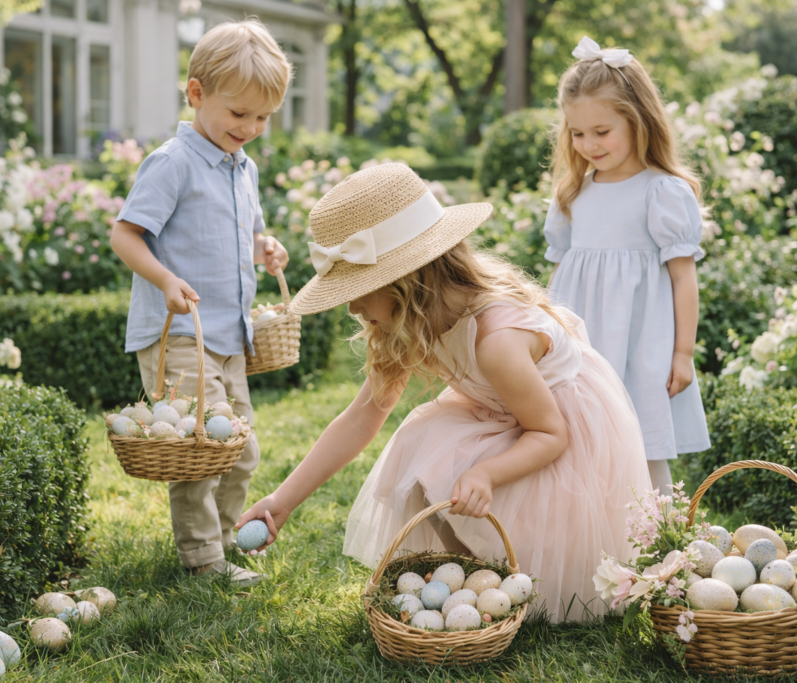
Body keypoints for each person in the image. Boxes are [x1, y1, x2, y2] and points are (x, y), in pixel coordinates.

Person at [236, 163, 651, 622]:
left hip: (557, 427)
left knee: (500, 493)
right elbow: (361, 418)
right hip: (501, 410)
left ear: (407, 283)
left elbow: (551, 434)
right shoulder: (411, 322)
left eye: (359, 290)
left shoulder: (497, 341)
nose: (352, 306)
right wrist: (283, 500)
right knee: (422, 445)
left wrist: (488, 474)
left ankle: (500, 576)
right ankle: (472, 581)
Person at [110, 19, 291, 584]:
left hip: (228, 337)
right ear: (197, 94)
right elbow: (125, 234)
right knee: (199, 452)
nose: (251, 127)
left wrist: (266, 248)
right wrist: (165, 279)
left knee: (241, 450)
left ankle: (226, 536)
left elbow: (248, 230)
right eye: (239, 114)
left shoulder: (246, 168)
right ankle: (203, 560)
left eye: (263, 117)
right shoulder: (173, 162)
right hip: (182, 333)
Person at [542, 36, 711, 494]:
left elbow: (682, 278)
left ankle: (660, 537)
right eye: (577, 134)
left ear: (638, 121)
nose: (589, 145)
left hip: (638, 342)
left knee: (640, 440)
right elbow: (558, 276)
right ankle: (583, 529)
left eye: (602, 132)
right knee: (575, 435)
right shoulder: (572, 193)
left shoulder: (661, 192)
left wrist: (682, 352)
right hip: (583, 336)